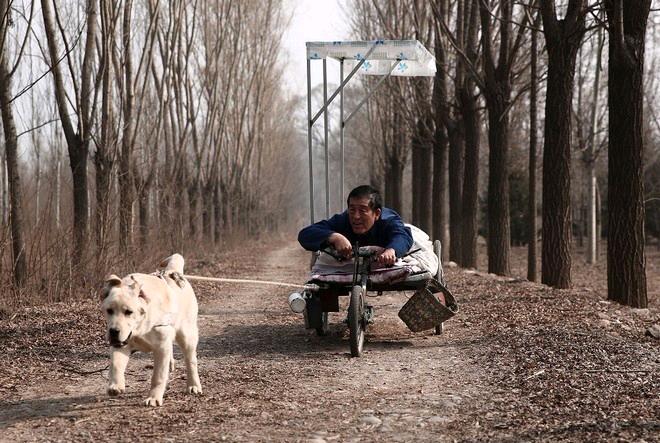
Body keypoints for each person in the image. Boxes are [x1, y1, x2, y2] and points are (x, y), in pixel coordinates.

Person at [298, 185, 413, 266]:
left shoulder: (389, 220)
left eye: (363, 210)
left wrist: (392, 250)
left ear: (377, 213)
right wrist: (335, 237)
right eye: (352, 210)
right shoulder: (343, 220)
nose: (356, 216)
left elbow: (402, 236)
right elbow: (305, 234)